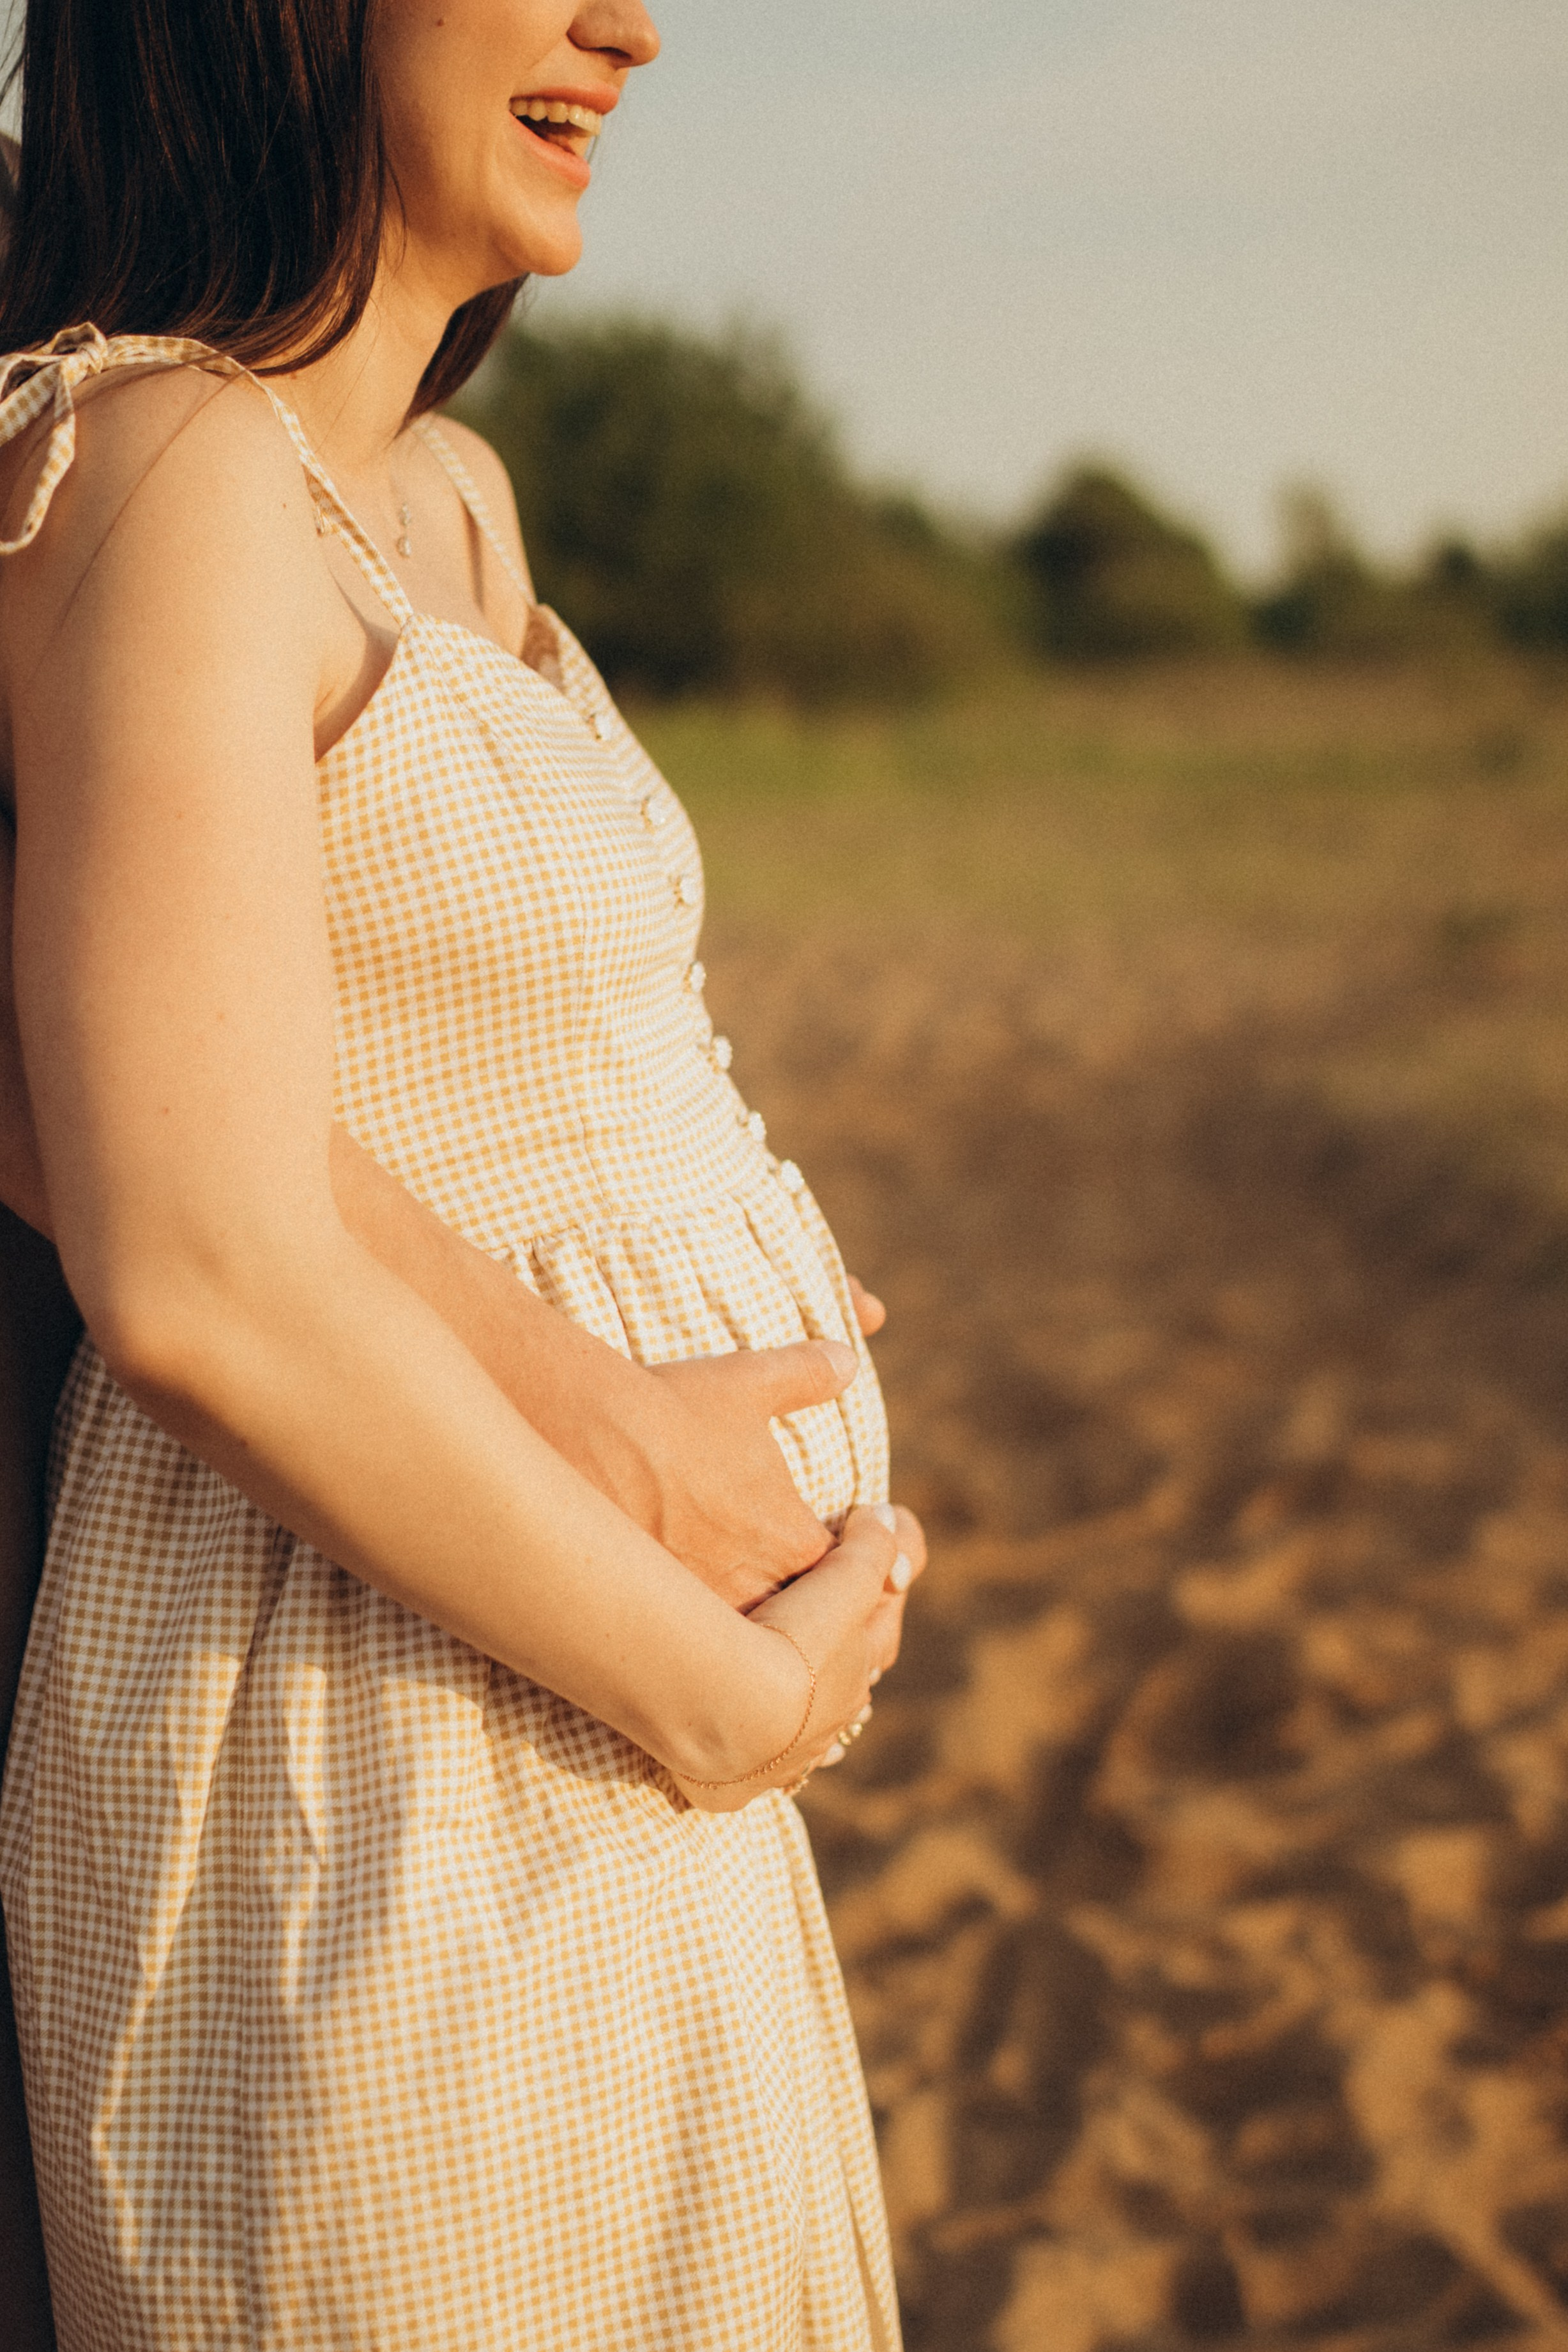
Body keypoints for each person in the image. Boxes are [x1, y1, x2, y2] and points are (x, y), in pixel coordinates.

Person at [0, 4, 922, 2346]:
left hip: (572, 1721)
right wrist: (710, 1694)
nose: (630, 21)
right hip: (368, 1728)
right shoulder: (151, 457)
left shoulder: (440, 489)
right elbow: (196, 1265)